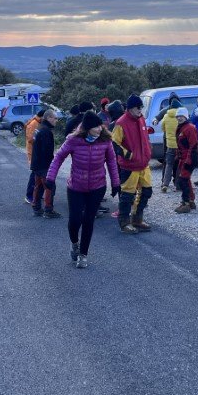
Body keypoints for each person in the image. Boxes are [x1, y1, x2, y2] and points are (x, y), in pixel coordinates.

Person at [46, 111, 120, 268]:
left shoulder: (105, 140)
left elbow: (112, 162)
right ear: (87, 128)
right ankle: (74, 244)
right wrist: (50, 178)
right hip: (76, 187)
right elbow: (58, 157)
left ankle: (83, 255)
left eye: (100, 125)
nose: (99, 129)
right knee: (74, 221)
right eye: (95, 127)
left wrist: (115, 183)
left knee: (88, 220)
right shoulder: (73, 140)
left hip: (97, 186)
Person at [112, 94, 153, 234]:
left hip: (143, 164)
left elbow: (145, 137)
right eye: (138, 107)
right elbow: (114, 143)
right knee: (127, 196)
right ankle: (124, 223)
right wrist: (129, 155)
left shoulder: (141, 119)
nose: (140, 109)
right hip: (130, 166)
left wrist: (148, 151)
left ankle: (137, 219)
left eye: (141, 107)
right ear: (130, 108)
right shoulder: (121, 123)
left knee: (147, 191)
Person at [30, 110, 60, 218]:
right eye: (55, 118)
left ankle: (36, 207)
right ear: (49, 118)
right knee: (50, 186)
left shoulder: (39, 128)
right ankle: (48, 210)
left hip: (36, 163)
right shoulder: (46, 131)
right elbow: (46, 151)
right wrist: (51, 165)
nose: (57, 120)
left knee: (38, 186)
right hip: (43, 165)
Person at [154, 98, 182, 193]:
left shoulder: (166, 116)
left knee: (168, 164)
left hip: (170, 145)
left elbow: (163, 128)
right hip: (179, 146)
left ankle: (165, 184)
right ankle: (178, 185)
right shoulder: (181, 116)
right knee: (178, 165)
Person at [174, 107, 198, 213]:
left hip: (189, 158)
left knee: (182, 180)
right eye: (178, 116)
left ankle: (186, 203)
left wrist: (188, 160)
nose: (179, 118)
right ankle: (191, 201)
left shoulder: (189, 128)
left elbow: (193, 146)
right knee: (186, 179)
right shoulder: (181, 127)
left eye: (181, 116)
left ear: (186, 116)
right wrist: (178, 155)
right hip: (183, 158)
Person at [23, 108, 45, 204]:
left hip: (37, 153)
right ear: (43, 117)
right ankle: (29, 196)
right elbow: (31, 139)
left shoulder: (38, 122)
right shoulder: (33, 124)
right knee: (34, 175)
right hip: (33, 153)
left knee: (39, 174)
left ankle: (37, 194)